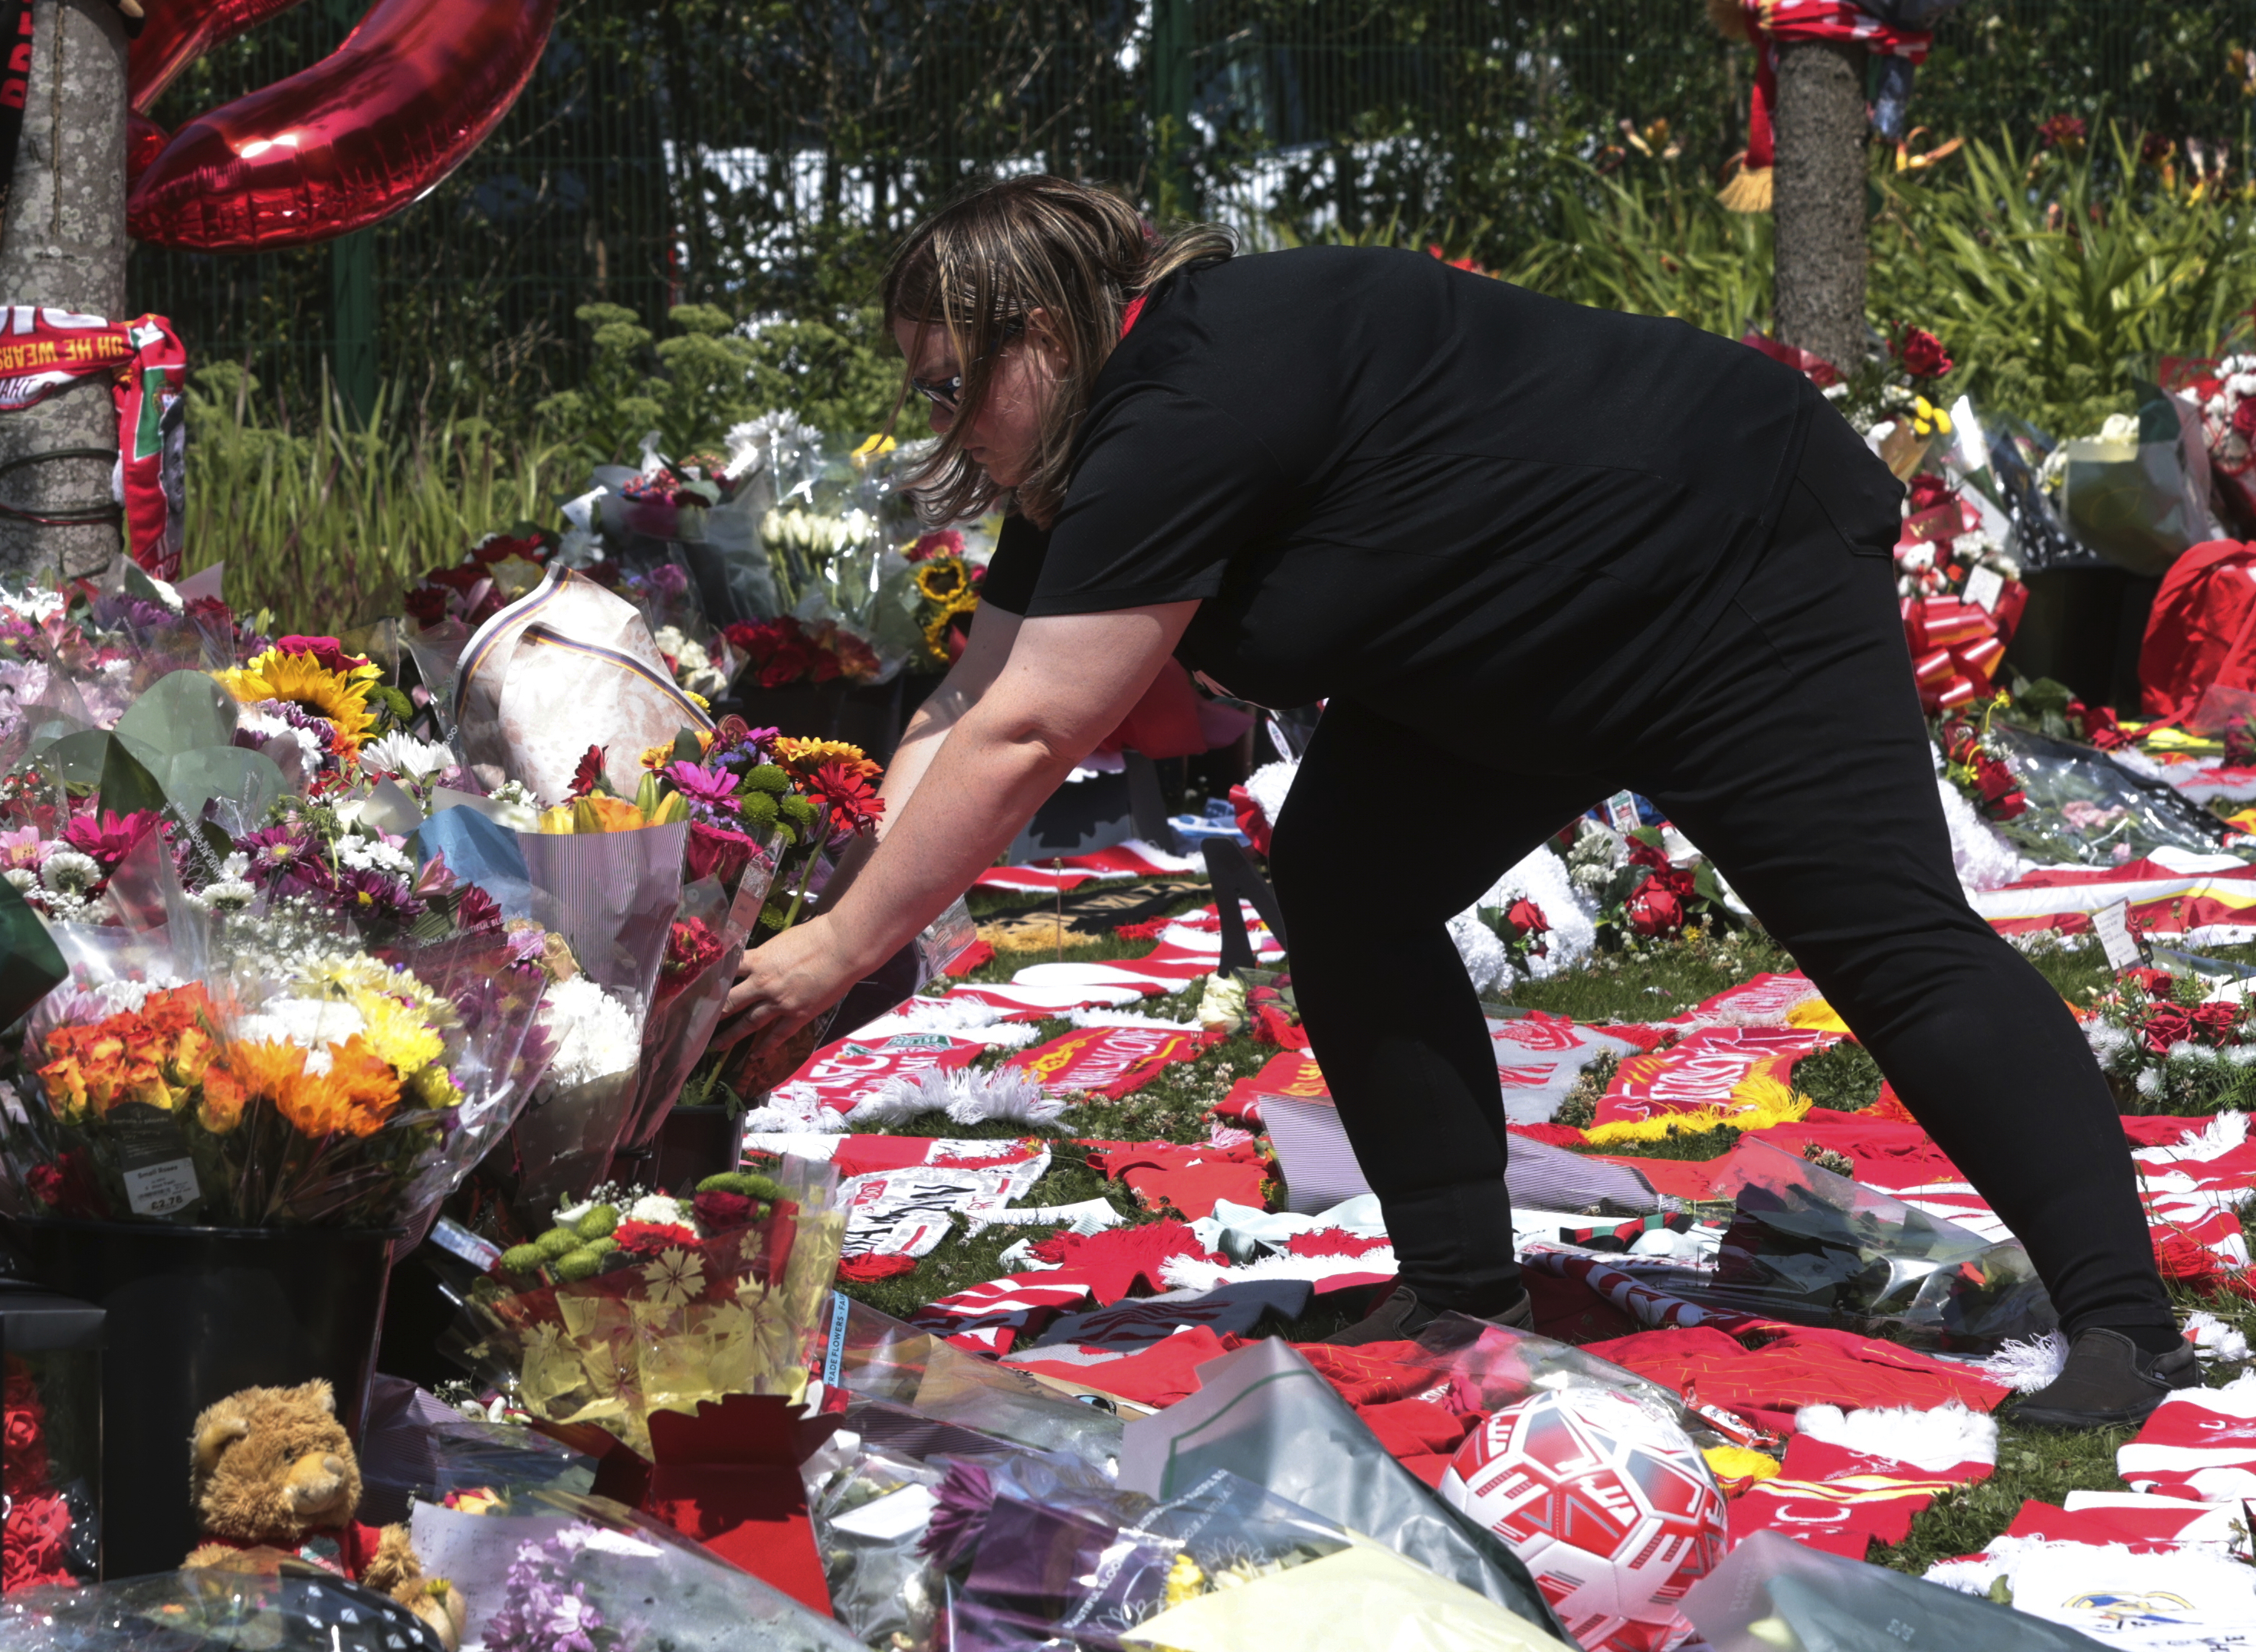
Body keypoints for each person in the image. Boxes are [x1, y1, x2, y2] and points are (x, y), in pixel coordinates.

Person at [715, 172, 2188, 1428]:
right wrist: (842, 900)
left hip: (1730, 564)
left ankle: (2126, 1322)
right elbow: (968, 702)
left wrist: (840, 952)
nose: (941, 420)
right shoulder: (1105, 425)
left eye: (945, 382)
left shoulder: (1183, 400)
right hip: (1525, 634)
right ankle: (1458, 1291)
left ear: (1036, 331)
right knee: (1350, 877)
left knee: (1883, 938)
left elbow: (1033, 731)